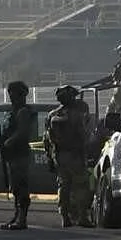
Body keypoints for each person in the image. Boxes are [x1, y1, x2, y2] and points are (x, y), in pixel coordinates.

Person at [44, 85, 92, 228]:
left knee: (64, 186)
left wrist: (49, 158)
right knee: (82, 186)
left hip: (60, 155)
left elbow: (46, 140)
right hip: (76, 154)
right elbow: (84, 134)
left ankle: (65, 217)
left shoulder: (52, 115)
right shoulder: (79, 112)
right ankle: (83, 217)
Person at [0, 81, 36, 231]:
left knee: (21, 186)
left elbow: (22, 133)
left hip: (19, 152)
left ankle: (22, 218)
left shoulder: (22, 112)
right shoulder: (15, 111)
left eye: (13, 93)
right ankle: (17, 216)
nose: (11, 96)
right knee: (15, 187)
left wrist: (9, 142)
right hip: (13, 154)